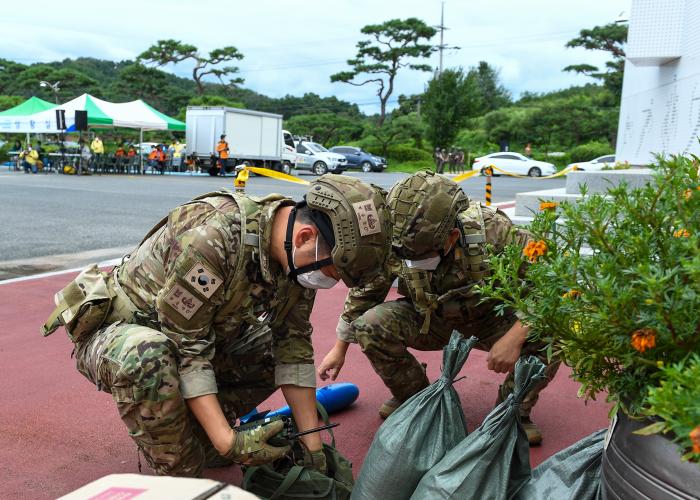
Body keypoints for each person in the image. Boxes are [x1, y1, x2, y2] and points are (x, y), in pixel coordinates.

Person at [42, 174, 391, 477]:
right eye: (331, 273)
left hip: (193, 336)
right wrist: (230, 442)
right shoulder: (215, 238)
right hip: (121, 337)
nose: (329, 282)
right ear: (304, 237)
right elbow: (187, 347)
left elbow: (293, 345)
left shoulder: (296, 264)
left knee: (268, 347)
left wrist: (312, 447)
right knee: (149, 359)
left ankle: (199, 435)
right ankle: (180, 462)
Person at [318, 171, 561, 445]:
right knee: (371, 325)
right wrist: (340, 348)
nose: (411, 260)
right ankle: (416, 399)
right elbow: (369, 290)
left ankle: (511, 412)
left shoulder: (495, 232)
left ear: (452, 236)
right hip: (430, 320)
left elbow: (553, 287)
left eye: (420, 256)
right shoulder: (394, 238)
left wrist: (514, 337)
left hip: (491, 322)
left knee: (553, 336)